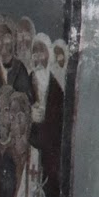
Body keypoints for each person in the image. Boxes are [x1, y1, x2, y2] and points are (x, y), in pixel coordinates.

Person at [0, 19, 32, 150]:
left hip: (17, 132)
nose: (4, 44)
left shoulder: (20, 68)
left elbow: (26, 101)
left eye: (7, 38)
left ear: (13, 40)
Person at [29, 32, 64, 185]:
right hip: (30, 151)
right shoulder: (24, 83)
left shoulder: (57, 89)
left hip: (50, 153)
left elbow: (60, 123)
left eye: (41, 53)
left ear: (49, 55)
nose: (38, 58)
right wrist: (29, 115)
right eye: (34, 53)